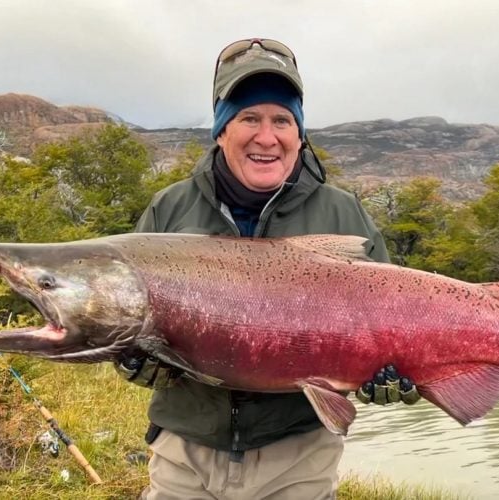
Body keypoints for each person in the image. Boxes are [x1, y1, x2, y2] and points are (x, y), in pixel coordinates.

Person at [116, 38, 419, 500]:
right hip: (185, 452)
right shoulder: (169, 209)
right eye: (248, 118)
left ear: (299, 133)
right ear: (220, 129)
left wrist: (397, 373)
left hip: (299, 457)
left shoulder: (343, 213)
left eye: (282, 119)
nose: (266, 136)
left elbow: (394, 323)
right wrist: (132, 360)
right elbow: (128, 320)